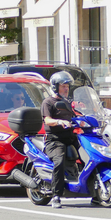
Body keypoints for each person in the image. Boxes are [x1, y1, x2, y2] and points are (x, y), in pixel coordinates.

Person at [41, 71, 79, 209]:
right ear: (55, 87)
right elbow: (48, 120)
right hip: (55, 139)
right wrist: (59, 122)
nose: (66, 89)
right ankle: (56, 195)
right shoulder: (48, 102)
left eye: (67, 86)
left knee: (91, 153)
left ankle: (95, 189)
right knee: (59, 160)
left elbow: (78, 115)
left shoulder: (68, 103)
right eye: (63, 86)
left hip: (70, 137)